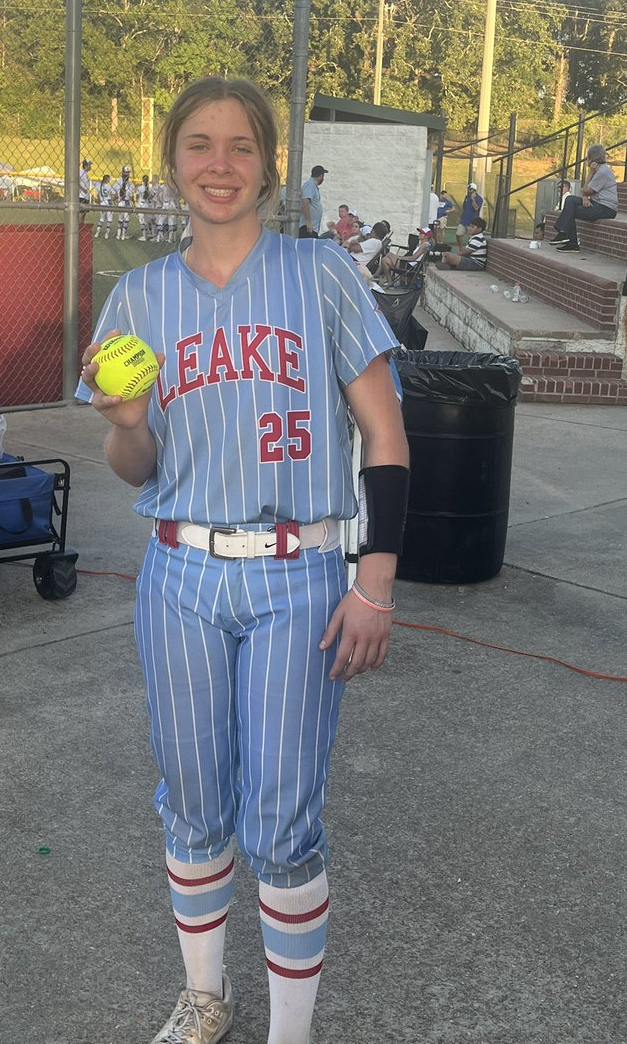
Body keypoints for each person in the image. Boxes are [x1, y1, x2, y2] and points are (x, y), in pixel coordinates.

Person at [77, 76, 408, 1044]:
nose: (218, 165)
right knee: (191, 799)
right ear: (173, 160)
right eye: (198, 145)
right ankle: (206, 997)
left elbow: (385, 434)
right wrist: (128, 423)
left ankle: (290, 1031)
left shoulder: (320, 272)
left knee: (281, 821)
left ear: (268, 165)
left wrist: (375, 580)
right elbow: (134, 464)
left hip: (298, 571)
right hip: (179, 572)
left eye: (240, 147)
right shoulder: (138, 295)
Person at [552, 144, 618, 252]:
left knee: (571, 209)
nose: (587, 160)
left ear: (592, 159)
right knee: (570, 200)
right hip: (596, 203)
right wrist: (585, 197)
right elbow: (585, 191)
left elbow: (586, 190)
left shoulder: (602, 172)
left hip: (605, 208)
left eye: (588, 158)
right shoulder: (599, 170)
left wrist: (590, 175)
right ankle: (564, 233)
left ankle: (567, 237)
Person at [299, 164, 327, 237]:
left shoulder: (313, 186)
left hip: (312, 227)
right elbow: (305, 202)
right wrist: (308, 222)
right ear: (321, 176)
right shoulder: (310, 185)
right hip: (307, 228)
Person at [116, 165, 135, 241]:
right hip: (127, 203)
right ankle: (123, 235)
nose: (128, 174)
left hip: (120, 203)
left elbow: (115, 192)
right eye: (127, 172)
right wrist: (134, 204)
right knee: (126, 220)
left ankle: (118, 235)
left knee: (120, 220)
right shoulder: (130, 184)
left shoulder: (118, 181)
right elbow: (131, 196)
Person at [95, 173, 113, 240]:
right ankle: (106, 234)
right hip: (109, 203)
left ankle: (97, 233)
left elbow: (97, 196)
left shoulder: (99, 185)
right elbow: (113, 194)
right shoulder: (109, 186)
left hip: (102, 203)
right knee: (109, 219)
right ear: (107, 179)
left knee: (102, 218)